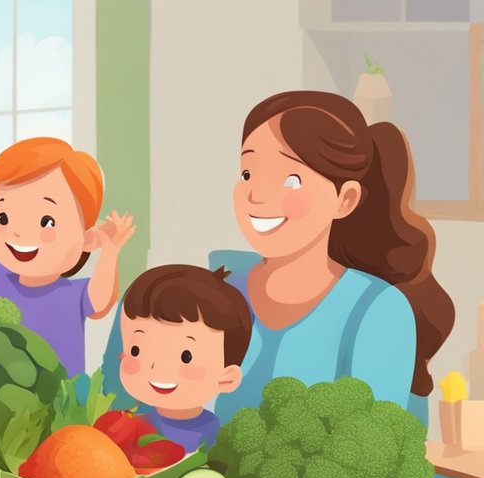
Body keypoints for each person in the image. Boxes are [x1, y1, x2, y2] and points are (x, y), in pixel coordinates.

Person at [102, 90, 453, 425]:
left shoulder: (378, 310)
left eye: (291, 179)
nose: (255, 194)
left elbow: (374, 448)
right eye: (247, 172)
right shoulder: (207, 289)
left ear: (344, 199)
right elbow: (119, 403)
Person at [0, 137, 135, 375]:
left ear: (86, 238)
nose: (19, 232)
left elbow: (101, 302)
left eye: (47, 221)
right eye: (3, 218)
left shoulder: (73, 293)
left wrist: (110, 250)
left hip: (60, 396)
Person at [118, 265, 253, 451]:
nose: (156, 366)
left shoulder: (218, 437)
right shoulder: (129, 427)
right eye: (136, 350)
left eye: (186, 356)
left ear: (228, 377)